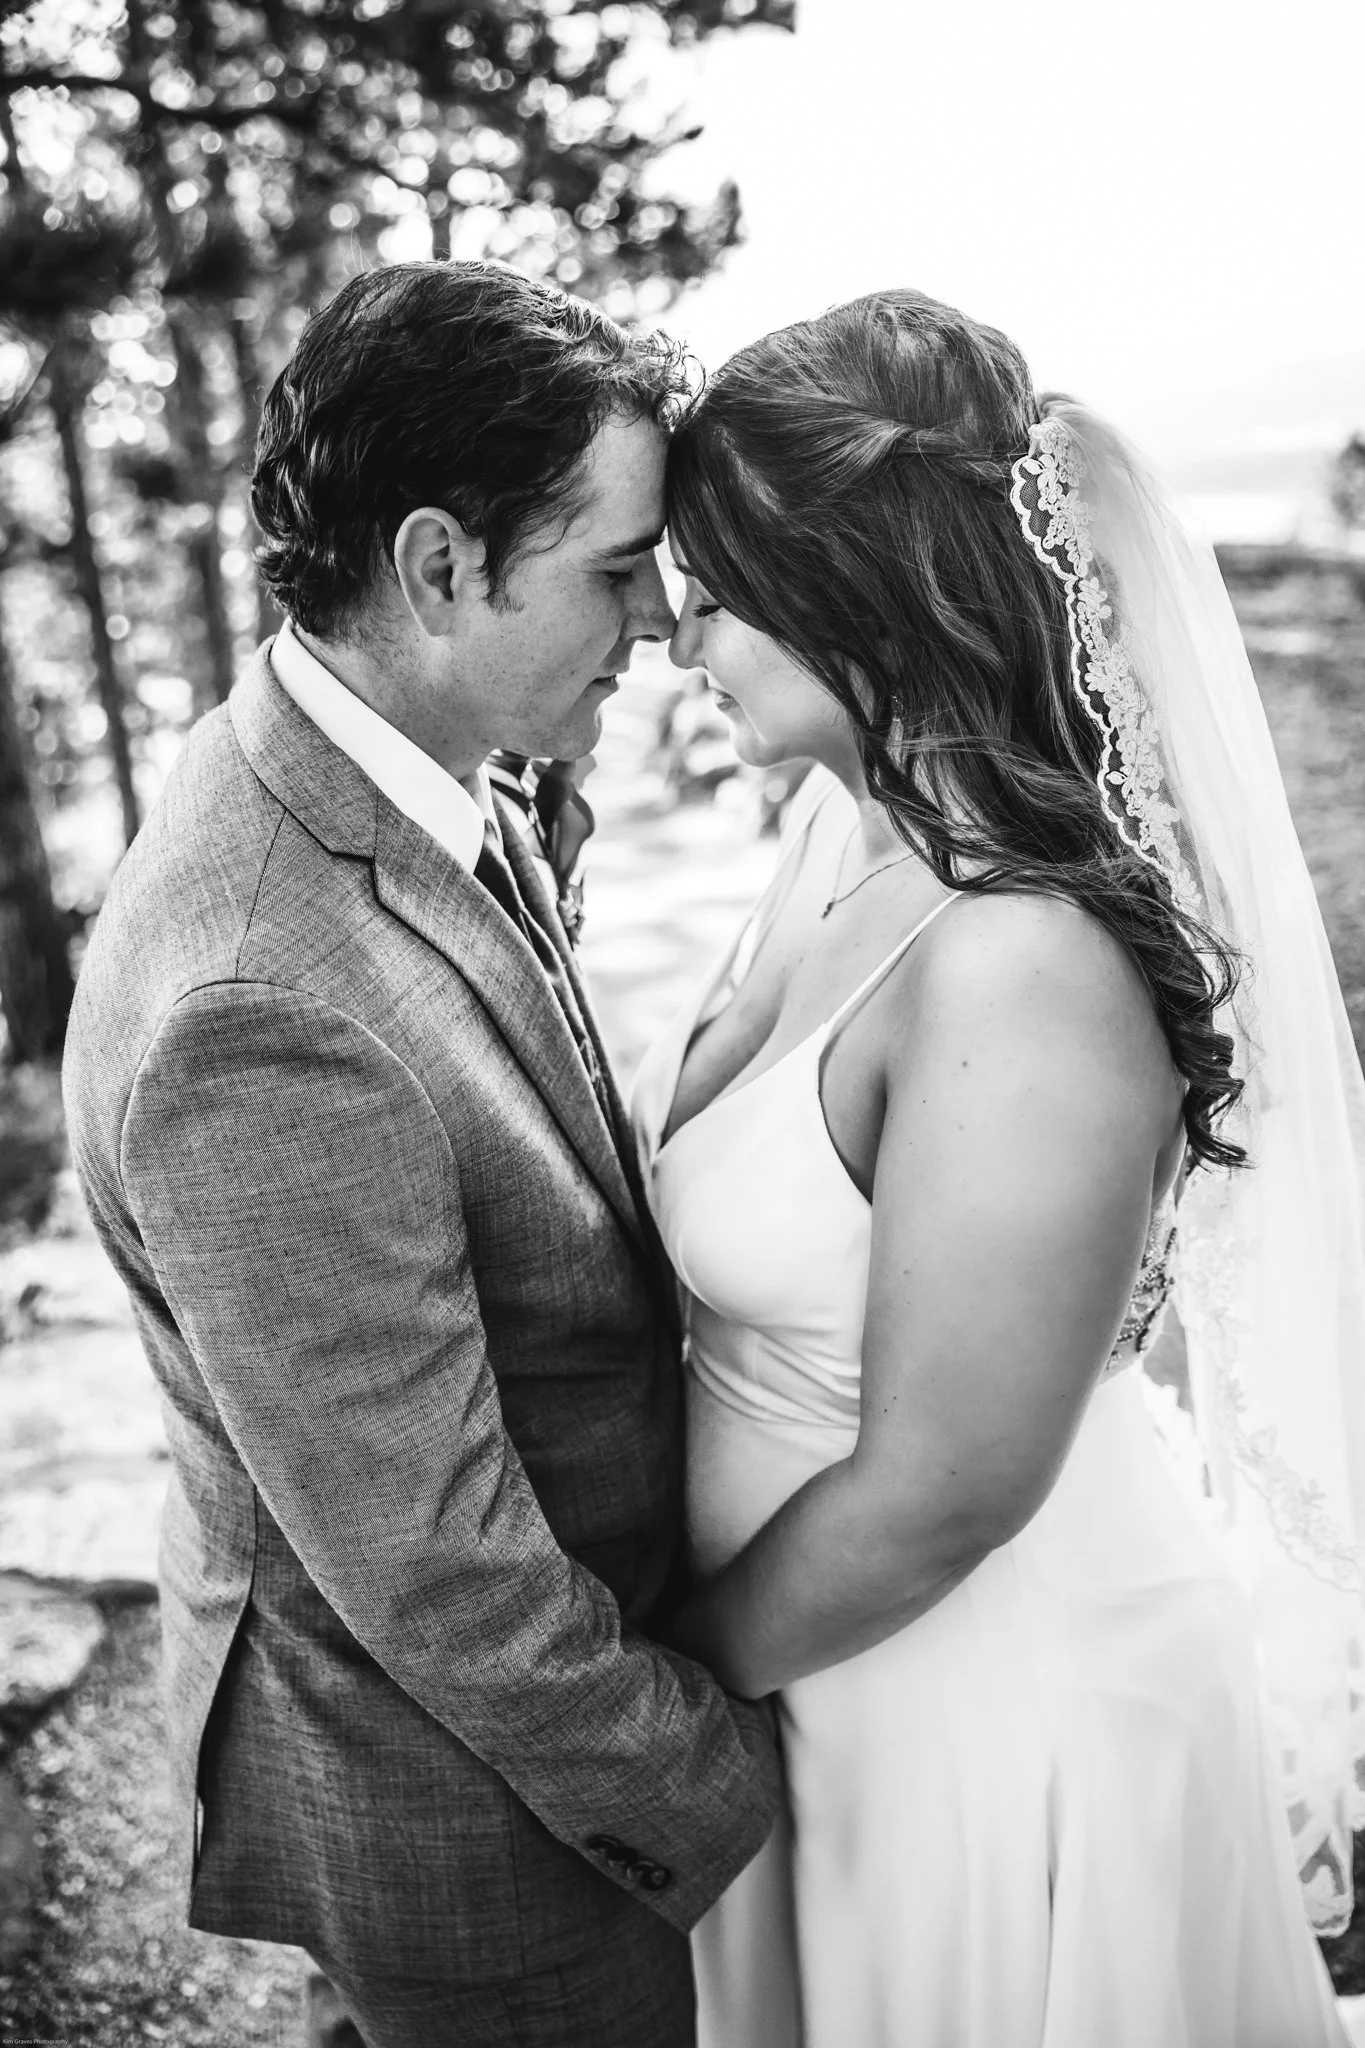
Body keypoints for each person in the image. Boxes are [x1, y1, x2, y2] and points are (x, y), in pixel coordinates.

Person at [631, 289, 1365, 2046]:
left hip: (985, 1709)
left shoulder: (1023, 959)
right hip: (828, 1691)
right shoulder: (838, 831)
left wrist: (655, 1688)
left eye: (714, 603)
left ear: (850, 596)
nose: (679, 647)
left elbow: (947, 1488)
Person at [61, 261, 779, 2048]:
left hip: (501, 1742)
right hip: (486, 1816)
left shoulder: (397, 751)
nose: (657, 627)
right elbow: (435, 1565)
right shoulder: (257, 1003)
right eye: (617, 571)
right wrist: (719, 1774)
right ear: (442, 565)